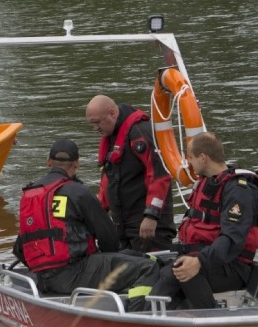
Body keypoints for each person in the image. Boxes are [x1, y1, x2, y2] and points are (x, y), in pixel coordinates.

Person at [13, 139, 159, 311]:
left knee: (134, 255)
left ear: (48, 161)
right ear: (77, 164)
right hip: (74, 273)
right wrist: (106, 261)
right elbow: (109, 238)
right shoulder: (78, 192)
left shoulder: (30, 195)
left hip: (42, 278)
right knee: (148, 267)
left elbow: (19, 248)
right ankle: (137, 316)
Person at [147, 132, 258, 310]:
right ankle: (149, 318)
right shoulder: (208, 183)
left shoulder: (238, 190)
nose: (188, 163)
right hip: (208, 259)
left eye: (190, 158)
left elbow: (232, 239)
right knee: (162, 272)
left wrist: (199, 261)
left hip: (232, 266)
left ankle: (213, 320)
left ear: (203, 157)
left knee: (182, 273)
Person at [85, 94, 176, 252]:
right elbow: (108, 178)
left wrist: (151, 216)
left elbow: (160, 176)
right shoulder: (112, 136)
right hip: (123, 225)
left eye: (97, 122)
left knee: (153, 270)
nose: (95, 128)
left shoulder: (140, 132)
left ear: (112, 113)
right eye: (92, 124)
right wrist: (98, 213)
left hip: (147, 225)